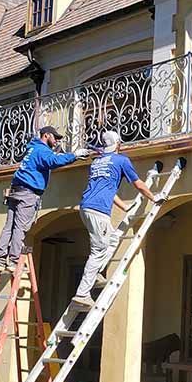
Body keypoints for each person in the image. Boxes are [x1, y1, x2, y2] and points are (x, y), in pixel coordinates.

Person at [71, 131, 164, 306]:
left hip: (86, 207)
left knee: (112, 239)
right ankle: (82, 293)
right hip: (98, 210)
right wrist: (154, 197)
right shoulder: (121, 160)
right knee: (98, 251)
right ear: (118, 143)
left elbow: (108, 190)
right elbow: (138, 184)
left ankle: (96, 274)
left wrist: (125, 207)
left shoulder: (97, 162)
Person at [0, 126, 87, 272]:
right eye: (55, 138)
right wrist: (74, 155)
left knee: (9, 226)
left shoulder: (33, 149)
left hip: (16, 190)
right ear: (46, 135)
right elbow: (53, 161)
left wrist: (61, 154)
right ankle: (14, 261)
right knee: (20, 228)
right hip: (28, 193)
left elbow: (48, 159)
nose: (56, 141)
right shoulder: (42, 150)